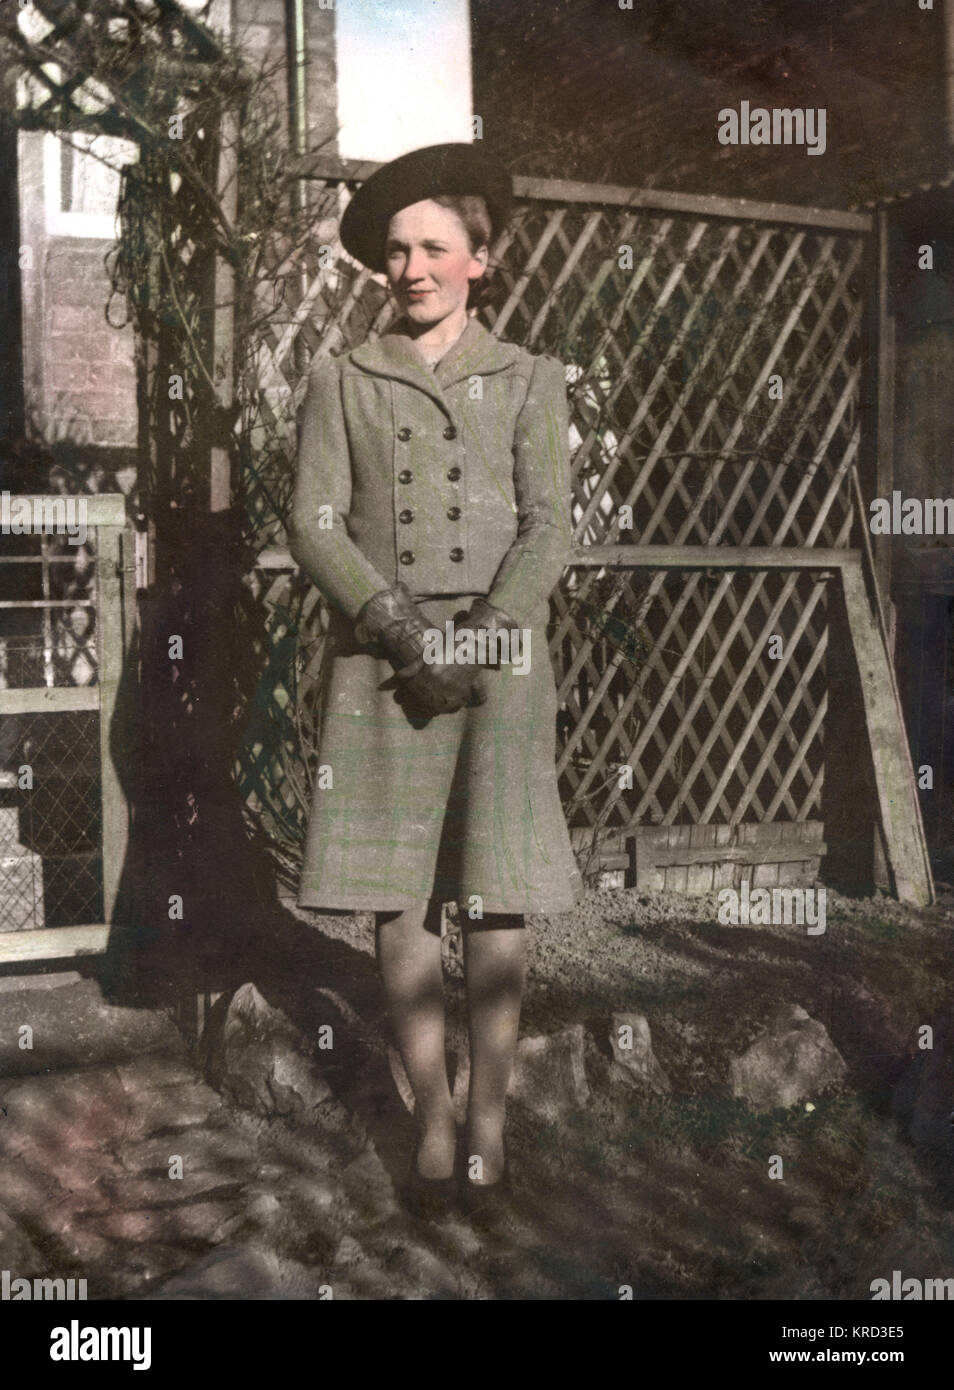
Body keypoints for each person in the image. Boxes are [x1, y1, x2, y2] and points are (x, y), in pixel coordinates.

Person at [288, 143, 583, 1219]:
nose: (410, 267)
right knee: (395, 891)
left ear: (481, 261)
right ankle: (432, 1120)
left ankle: (492, 1119)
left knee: (496, 884)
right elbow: (313, 523)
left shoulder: (530, 380)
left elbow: (552, 525)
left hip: (502, 663)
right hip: (383, 661)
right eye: (396, 251)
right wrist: (399, 625)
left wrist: (489, 631)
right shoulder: (342, 377)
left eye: (433, 248)